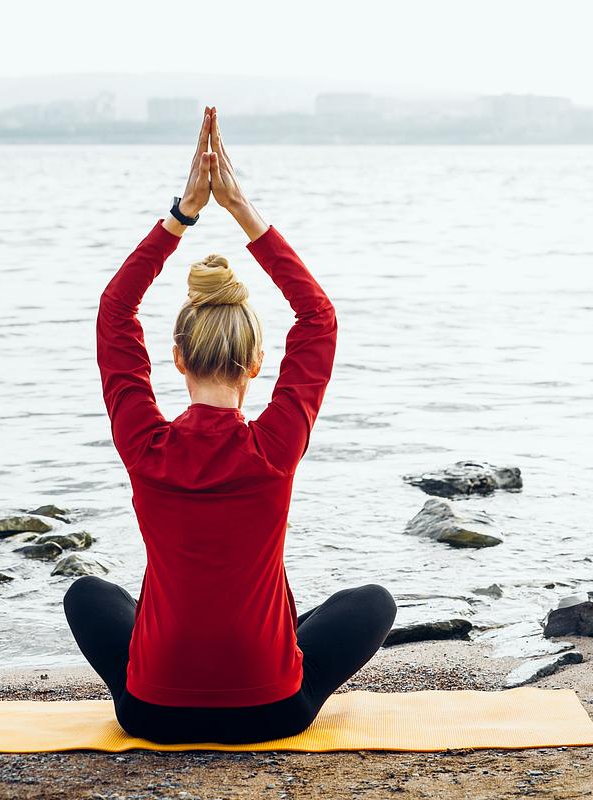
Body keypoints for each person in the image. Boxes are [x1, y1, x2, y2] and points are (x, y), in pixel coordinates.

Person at [63, 106, 397, 744]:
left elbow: (115, 312)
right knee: (372, 602)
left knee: (84, 592)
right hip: (271, 713)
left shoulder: (145, 445)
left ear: (178, 357)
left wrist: (180, 217)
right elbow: (318, 319)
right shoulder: (275, 447)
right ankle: (260, 657)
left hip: (151, 713)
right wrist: (242, 209)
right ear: (256, 364)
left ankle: (183, 668)